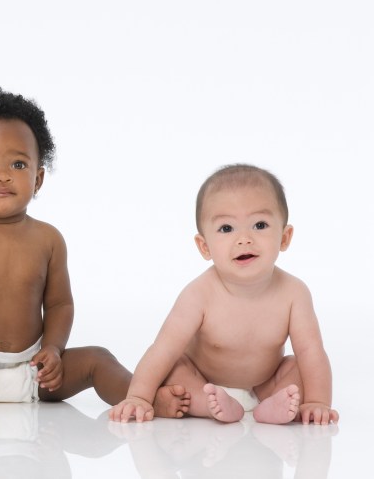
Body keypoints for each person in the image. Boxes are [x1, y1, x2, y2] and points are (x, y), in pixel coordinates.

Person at [0, 87, 184, 422]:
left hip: (36, 372)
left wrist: (53, 349)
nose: (3, 175)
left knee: (98, 359)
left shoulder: (48, 239)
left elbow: (59, 304)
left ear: (38, 178)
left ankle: (144, 398)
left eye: (18, 164)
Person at [110, 164, 338, 425]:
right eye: (227, 228)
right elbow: (163, 349)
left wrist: (317, 402)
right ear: (204, 246)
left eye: (260, 225)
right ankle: (209, 405)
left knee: (299, 367)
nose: (244, 239)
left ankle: (272, 405)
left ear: (284, 237)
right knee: (175, 369)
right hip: (203, 381)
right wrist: (138, 397)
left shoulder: (294, 293)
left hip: (266, 383)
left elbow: (312, 351)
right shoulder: (198, 294)